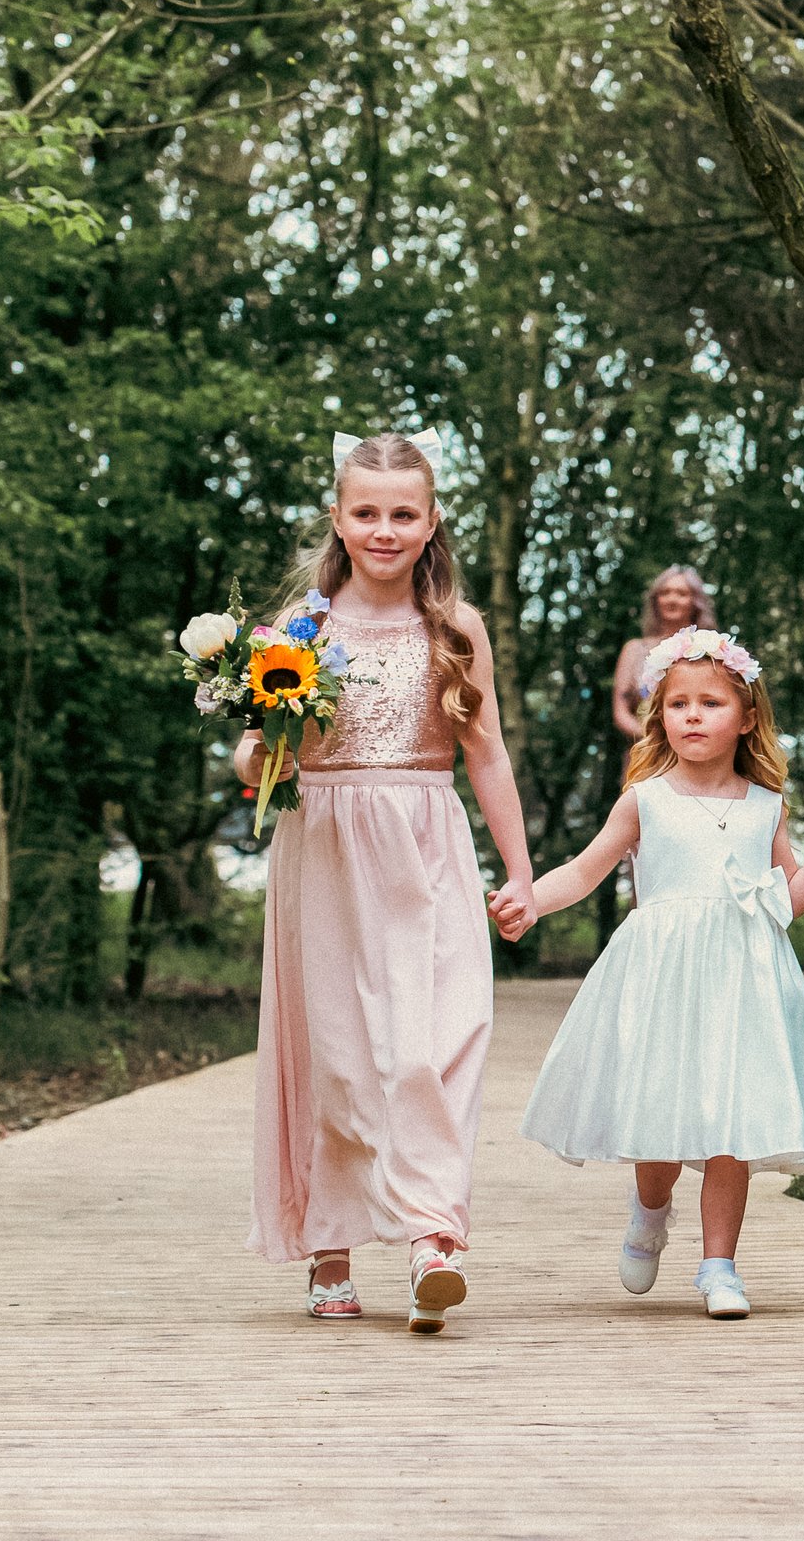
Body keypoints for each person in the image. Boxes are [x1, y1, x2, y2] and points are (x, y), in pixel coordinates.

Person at [239, 430, 535, 1334]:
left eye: (403, 514)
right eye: (365, 512)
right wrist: (259, 752)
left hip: (427, 843)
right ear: (338, 517)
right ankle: (330, 1244)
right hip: (324, 844)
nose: (383, 529)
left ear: (432, 519)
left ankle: (430, 1239)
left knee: (434, 1041)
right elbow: (256, 761)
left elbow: (484, 756)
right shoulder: (302, 628)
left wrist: (520, 870)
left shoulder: (456, 628)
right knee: (334, 1051)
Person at [495, 626, 804, 1319]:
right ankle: (650, 1210)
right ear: (658, 715)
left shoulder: (764, 805)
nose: (693, 715)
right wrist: (529, 902)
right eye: (678, 703)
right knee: (661, 1112)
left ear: (747, 717)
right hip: (662, 977)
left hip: (744, 980)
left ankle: (719, 1265)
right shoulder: (646, 798)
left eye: (711, 703)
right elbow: (585, 869)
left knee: (731, 1125)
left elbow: (786, 903)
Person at [611, 567, 715, 740]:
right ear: (655, 600)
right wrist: (656, 740)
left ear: (696, 601)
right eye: (665, 593)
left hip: (699, 748)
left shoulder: (710, 648)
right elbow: (621, 712)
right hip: (646, 751)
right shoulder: (634, 649)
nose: (671, 599)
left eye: (681, 593)